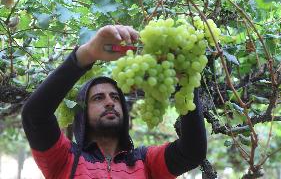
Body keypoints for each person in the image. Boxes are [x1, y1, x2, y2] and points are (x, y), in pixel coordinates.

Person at [21, 25, 207, 179]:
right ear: (82, 113)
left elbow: (192, 152)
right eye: (98, 98)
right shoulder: (65, 158)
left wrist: (187, 84)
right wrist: (87, 54)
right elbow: (34, 116)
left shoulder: (145, 161)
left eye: (115, 97)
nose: (110, 102)